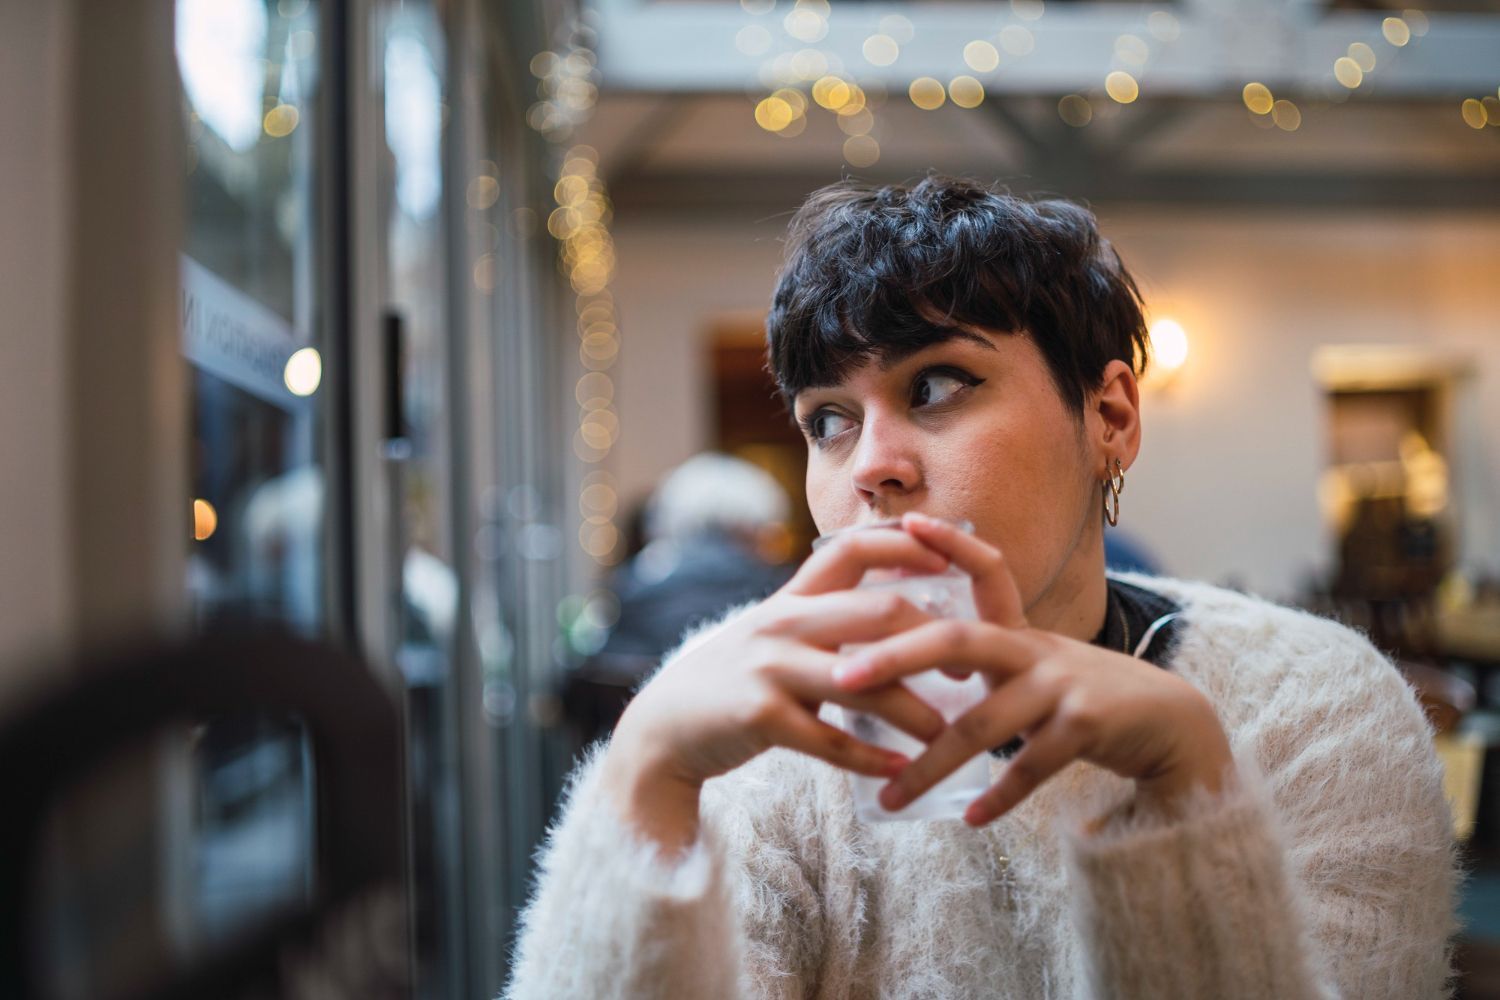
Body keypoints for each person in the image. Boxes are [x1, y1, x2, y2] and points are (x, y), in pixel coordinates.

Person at [504, 177, 1457, 998]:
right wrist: (643, 778)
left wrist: (1189, 791)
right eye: (828, 419)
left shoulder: (1317, 709)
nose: (872, 465)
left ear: (1112, 416)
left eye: (936, 386)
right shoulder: (759, 726)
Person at [562, 452, 795, 746]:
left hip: (633, 754)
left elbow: (585, 683)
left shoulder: (631, 585)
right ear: (750, 524)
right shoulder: (776, 587)